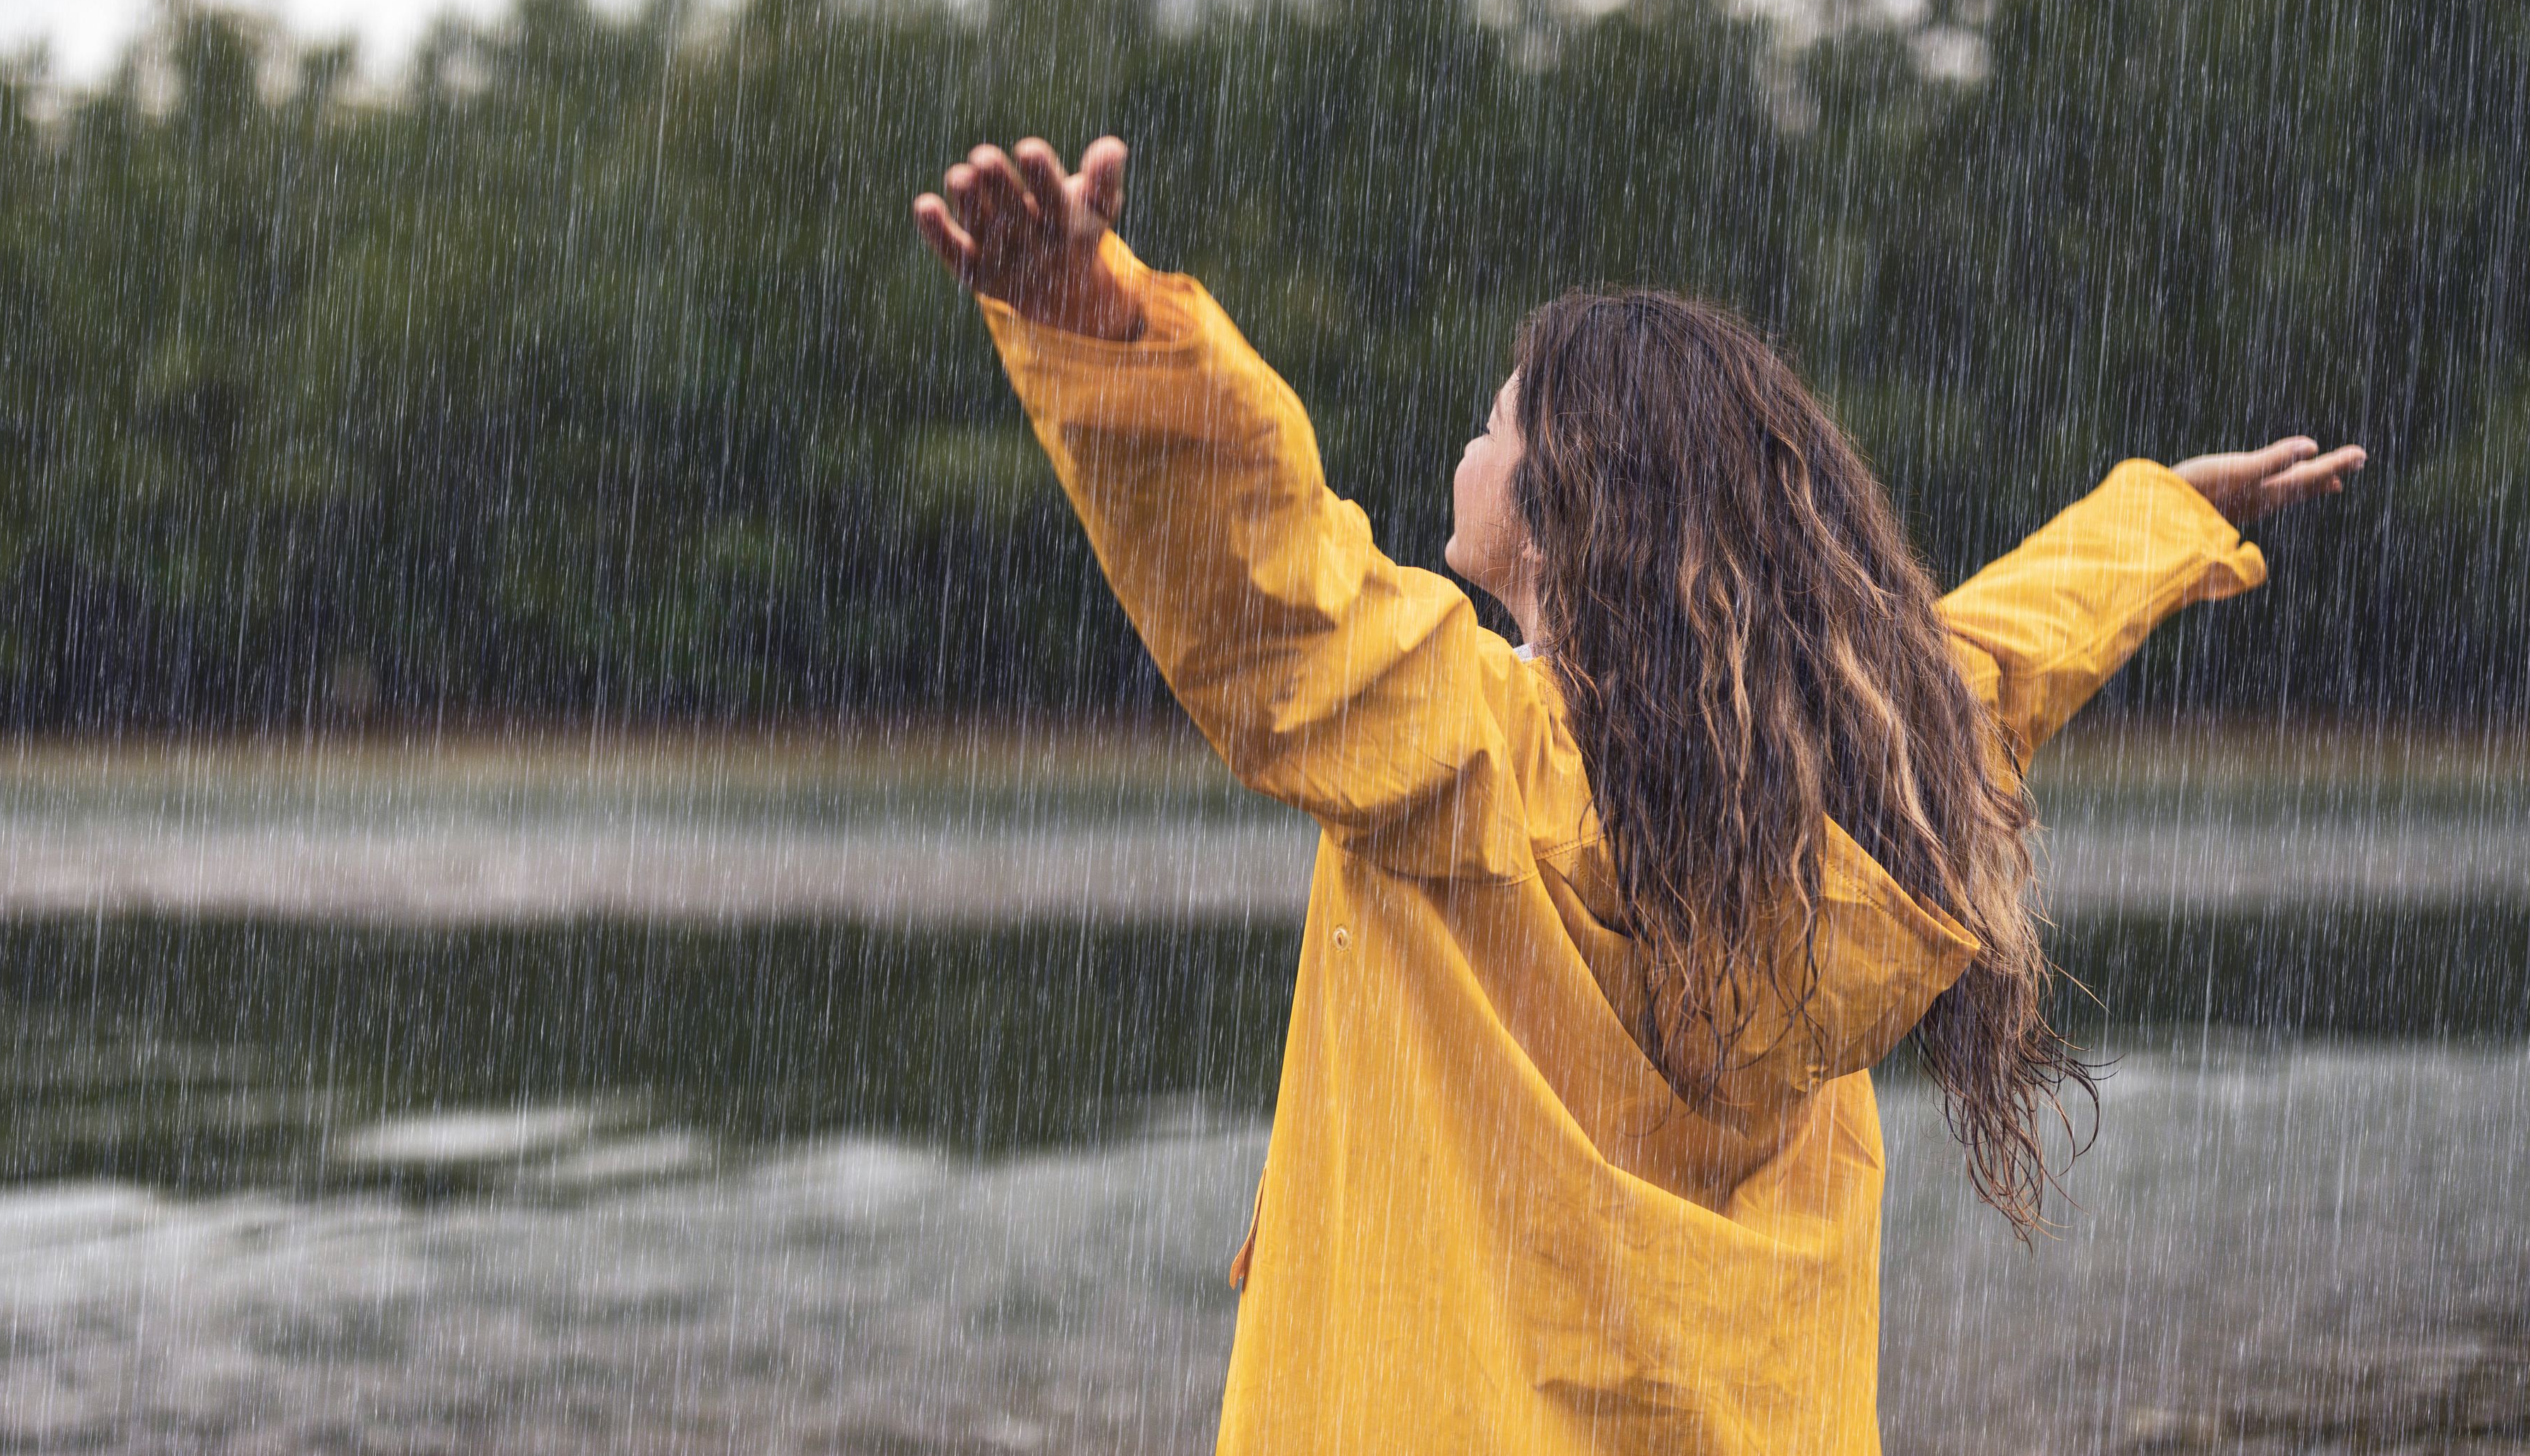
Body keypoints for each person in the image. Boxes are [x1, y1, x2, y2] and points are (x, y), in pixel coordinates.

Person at [910, 136, 2367, 1455]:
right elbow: (1980, 663)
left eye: (1490, 428)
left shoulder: (1462, 753)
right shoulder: (1835, 794)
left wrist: (1105, 335)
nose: (1463, 452)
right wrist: (2163, 521)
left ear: (1557, 506)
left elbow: (1266, 586)